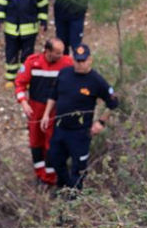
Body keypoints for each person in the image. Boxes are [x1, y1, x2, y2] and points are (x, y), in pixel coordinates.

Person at [40, 44, 117, 190]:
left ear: (90, 60)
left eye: (83, 61)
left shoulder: (96, 80)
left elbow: (113, 102)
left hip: (80, 133)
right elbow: (53, 95)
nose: (79, 64)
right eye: (77, 61)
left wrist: (101, 122)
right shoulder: (64, 73)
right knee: (55, 160)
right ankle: (63, 186)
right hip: (60, 128)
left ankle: (74, 197)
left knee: (78, 168)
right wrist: (45, 114)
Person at [14, 37, 73, 185]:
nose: (61, 55)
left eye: (62, 52)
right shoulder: (33, 62)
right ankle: (40, 175)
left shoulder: (66, 63)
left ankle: (50, 177)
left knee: (51, 143)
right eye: (58, 53)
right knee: (35, 142)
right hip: (35, 107)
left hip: (55, 109)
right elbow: (20, 83)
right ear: (48, 51)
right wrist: (23, 103)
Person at [0, 0, 49, 89]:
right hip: (11, 29)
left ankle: (24, 79)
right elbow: (1, 4)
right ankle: (10, 79)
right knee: (11, 53)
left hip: (29, 29)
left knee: (27, 55)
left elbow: (43, 6)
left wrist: (43, 21)